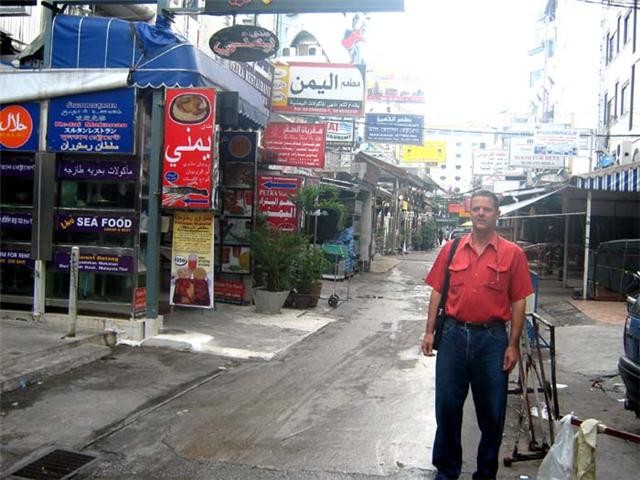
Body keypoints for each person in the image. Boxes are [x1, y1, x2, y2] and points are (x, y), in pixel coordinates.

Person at [421, 190, 533, 480]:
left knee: (492, 414)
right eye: (477, 209)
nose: (481, 213)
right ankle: (446, 470)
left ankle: (485, 473)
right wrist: (429, 331)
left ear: (497, 214)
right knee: (446, 408)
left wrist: (513, 344)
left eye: (487, 209)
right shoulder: (452, 249)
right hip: (454, 337)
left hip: (492, 341)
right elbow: (437, 291)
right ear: (470, 213)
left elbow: (519, 300)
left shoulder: (513, 254)